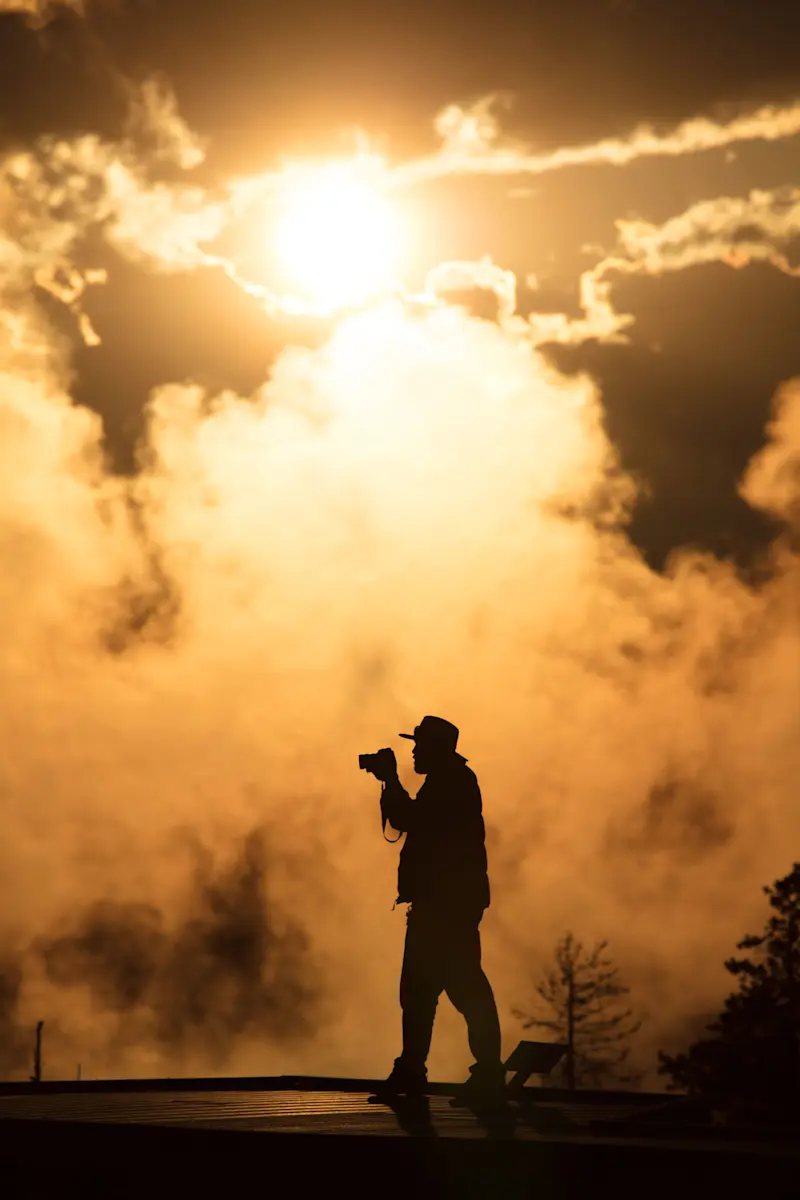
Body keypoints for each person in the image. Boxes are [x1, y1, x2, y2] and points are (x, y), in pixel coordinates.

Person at [365, 715, 505, 1109]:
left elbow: (410, 820)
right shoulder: (451, 780)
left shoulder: (451, 783)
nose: (413, 751)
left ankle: (477, 1074)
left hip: (444, 906)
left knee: (456, 988)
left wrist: (390, 781)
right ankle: (445, 1072)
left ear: (435, 749)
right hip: (447, 903)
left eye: (419, 745)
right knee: (432, 989)